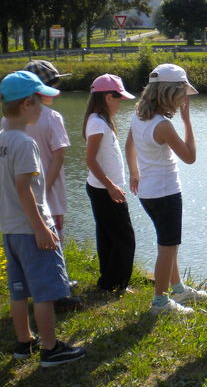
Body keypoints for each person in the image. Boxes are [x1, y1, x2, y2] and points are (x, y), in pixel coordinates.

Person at [0, 71, 85, 367]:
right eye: (39, 102)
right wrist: (41, 229)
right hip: (31, 228)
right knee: (45, 292)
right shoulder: (25, 144)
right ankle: (51, 348)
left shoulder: (2, 139)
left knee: (19, 289)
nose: (42, 108)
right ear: (26, 104)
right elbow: (25, 189)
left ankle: (25, 342)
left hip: (10, 229)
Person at [125, 64, 207, 315]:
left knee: (168, 243)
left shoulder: (138, 116)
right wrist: (187, 121)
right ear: (170, 94)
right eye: (183, 94)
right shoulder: (163, 126)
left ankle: (177, 287)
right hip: (166, 194)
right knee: (167, 247)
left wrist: (134, 172)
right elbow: (190, 156)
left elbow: (129, 146)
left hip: (148, 193)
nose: (184, 100)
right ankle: (160, 303)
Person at [23, 60, 80, 308]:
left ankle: (40, 284)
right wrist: (44, 190)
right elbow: (58, 156)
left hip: (21, 193)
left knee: (31, 239)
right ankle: (58, 293)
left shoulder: (11, 119)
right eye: (53, 84)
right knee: (54, 238)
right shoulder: (52, 117)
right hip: (49, 194)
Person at [83, 74, 137, 293]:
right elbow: (90, 160)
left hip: (102, 188)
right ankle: (119, 284)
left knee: (108, 237)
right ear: (107, 97)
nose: (120, 103)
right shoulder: (97, 122)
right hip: (104, 190)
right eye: (118, 98)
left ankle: (108, 282)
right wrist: (111, 186)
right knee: (125, 238)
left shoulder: (100, 120)